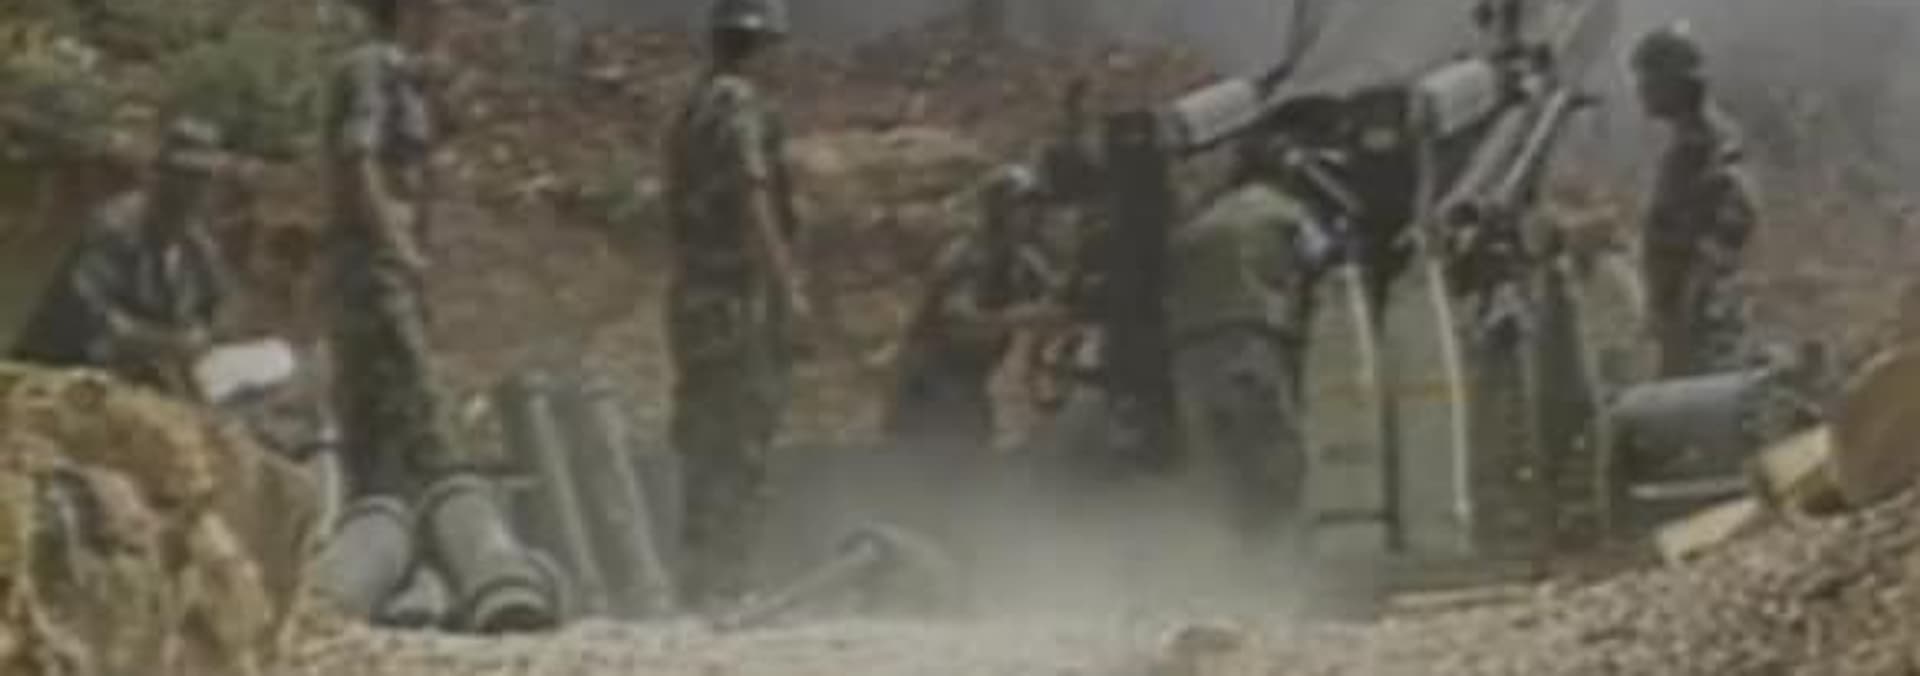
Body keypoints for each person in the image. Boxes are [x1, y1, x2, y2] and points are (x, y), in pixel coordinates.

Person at [322, 0, 557, 632]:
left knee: (384, 417)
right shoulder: (370, 66)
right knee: (422, 411)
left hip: (388, 268)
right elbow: (360, 161)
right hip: (375, 270)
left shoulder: (402, 74)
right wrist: (397, 244)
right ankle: (474, 563)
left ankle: (404, 577)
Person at [663, 0, 811, 606]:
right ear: (762, 44)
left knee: (704, 436)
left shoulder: (694, 106)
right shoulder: (740, 103)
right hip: (736, 300)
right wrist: (788, 289)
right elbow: (754, 198)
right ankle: (731, 581)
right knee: (743, 438)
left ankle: (699, 578)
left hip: (694, 297)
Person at [1164, 132, 1316, 551]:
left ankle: (1232, 562)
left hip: (1189, 359)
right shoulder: (1284, 211)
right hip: (1246, 344)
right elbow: (1326, 257)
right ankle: (1284, 557)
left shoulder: (1201, 222)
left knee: (1219, 469)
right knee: (1278, 454)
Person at [13, 118, 230, 400]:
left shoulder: (197, 248)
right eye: (182, 176)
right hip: (58, 379)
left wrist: (200, 338)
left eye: (201, 179)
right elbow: (100, 325)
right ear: (156, 176)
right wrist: (174, 343)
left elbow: (214, 317)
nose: (190, 191)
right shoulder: (114, 231)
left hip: (128, 386)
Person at [883, 165, 1064, 460]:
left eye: (1034, 206)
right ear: (998, 210)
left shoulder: (1024, 261)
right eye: (1021, 207)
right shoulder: (969, 257)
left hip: (969, 387)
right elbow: (959, 323)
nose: (1032, 215)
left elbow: (1060, 303)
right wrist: (1024, 317)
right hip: (931, 387)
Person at [1629, 23, 1759, 378]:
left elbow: (1737, 216)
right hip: (1680, 314)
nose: (1641, 89)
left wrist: (1697, 290)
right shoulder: (1689, 142)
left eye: (1648, 77)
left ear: (1676, 81)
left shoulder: (1709, 142)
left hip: (1699, 318)